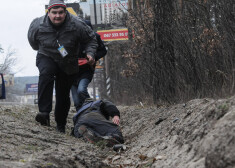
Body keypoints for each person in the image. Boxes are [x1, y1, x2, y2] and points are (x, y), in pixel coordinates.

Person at [27, 0, 97, 133]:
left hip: (68, 60)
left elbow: (91, 39)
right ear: (49, 13)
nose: (57, 16)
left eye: (60, 12)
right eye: (54, 13)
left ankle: (60, 124)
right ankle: (44, 113)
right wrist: (43, 49)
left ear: (65, 12)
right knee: (46, 73)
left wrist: (90, 53)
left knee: (62, 93)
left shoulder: (77, 24)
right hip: (46, 54)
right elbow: (33, 42)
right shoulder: (37, 24)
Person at [71, 20, 107, 111]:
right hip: (70, 72)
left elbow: (103, 51)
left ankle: (93, 109)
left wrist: (93, 57)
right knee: (76, 102)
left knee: (81, 90)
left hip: (86, 70)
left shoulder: (95, 37)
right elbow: (61, 49)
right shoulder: (70, 37)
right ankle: (81, 120)